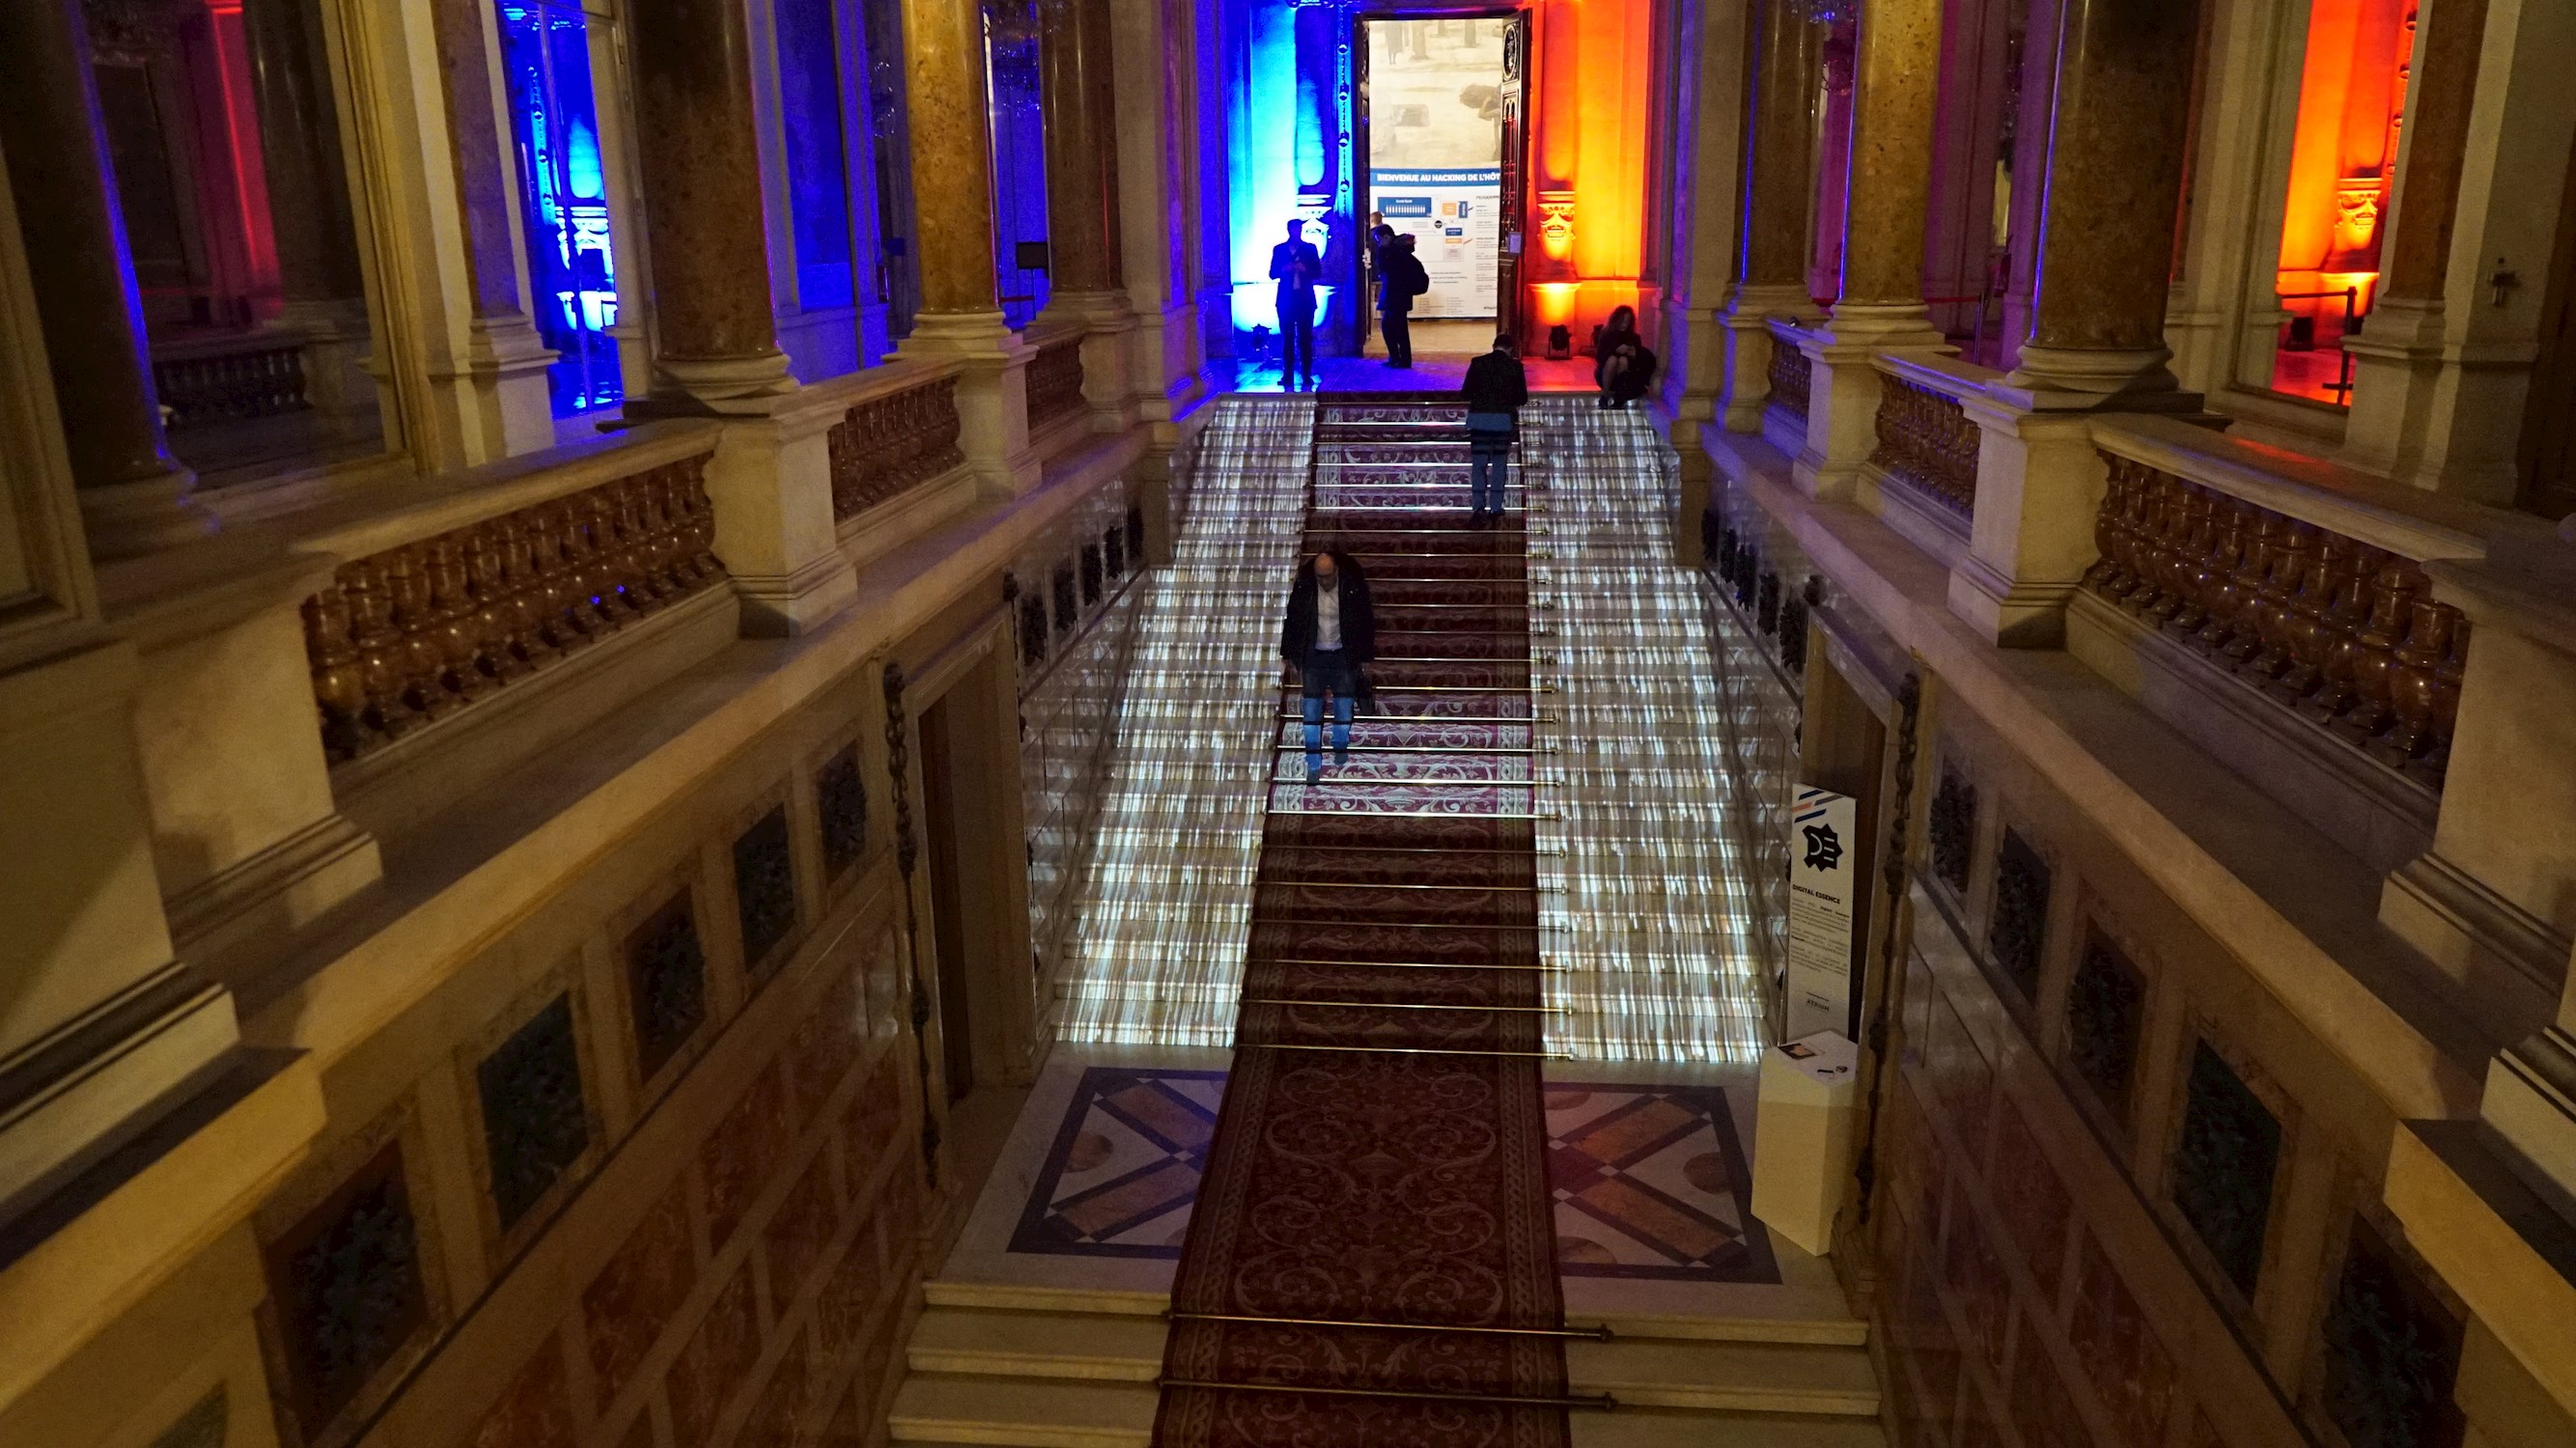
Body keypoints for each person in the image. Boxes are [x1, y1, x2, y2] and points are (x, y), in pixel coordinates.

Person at [1278, 546, 1377, 781]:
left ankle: (1340, 743)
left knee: (1343, 708)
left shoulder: (1352, 589)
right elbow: (1293, 620)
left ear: (1337, 571)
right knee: (1311, 713)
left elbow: (1366, 622)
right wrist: (1290, 654)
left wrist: (1365, 658)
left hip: (1343, 656)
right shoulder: (1305, 590)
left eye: (1327, 575)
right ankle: (1313, 761)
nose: (1324, 581)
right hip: (1314, 657)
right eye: (1319, 576)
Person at [1461, 333, 1527, 526]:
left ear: (1494, 346)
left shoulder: (1477, 363)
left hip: (1479, 420)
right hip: (1502, 422)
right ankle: (1496, 507)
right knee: (1499, 465)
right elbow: (1522, 398)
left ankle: (1477, 507)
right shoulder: (1515, 367)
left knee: (1479, 465)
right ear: (1510, 349)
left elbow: (1466, 392)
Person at [1269, 219, 1323, 390]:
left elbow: (1318, 272)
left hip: (1305, 300)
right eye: (1293, 229)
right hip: (1286, 300)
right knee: (1287, 338)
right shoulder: (1279, 249)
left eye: (1298, 229)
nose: (1296, 232)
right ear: (1288, 230)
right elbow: (1272, 273)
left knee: (1305, 339)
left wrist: (1305, 269)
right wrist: (1284, 269)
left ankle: (1307, 375)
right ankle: (1288, 374)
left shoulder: (1310, 249)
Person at [1379, 235, 1429, 369]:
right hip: (1401, 299)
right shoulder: (1411, 260)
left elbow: (1383, 267)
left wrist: (1383, 248)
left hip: (1394, 298)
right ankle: (1401, 358)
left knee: (1392, 328)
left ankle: (1399, 358)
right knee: (1398, 329)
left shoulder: (1397, 258)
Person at [1591, 305, 1641, 399]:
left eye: (1627, 321)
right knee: (1612, 360)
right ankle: (1605, 395)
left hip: (1624, 377)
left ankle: (1619, 395)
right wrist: (1615, 351)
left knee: (1623, 360)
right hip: (1605, 374)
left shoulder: (1634, 338)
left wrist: (1634, 355)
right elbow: (1600, 358)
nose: (1624, 324)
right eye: (1622, 321)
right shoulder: (1606, 335)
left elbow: (1639, 364)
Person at [1600, 336, 1659, 409]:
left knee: (1623, 362)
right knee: (1616, 361)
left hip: (1633, 382)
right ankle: (1607, 396)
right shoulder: (1614, 355)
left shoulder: (1644, 356)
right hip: (1617, 381)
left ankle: (1617, 397)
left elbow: (1645, 373)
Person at [1362, 211, 1394, 343]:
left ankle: (1368, 331)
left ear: (1371, 219)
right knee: (1384, 302)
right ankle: (1386, 327)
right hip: (1385, 274)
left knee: (1369, 302)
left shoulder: (1369, 236)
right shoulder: (1390, 235)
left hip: (1372, 273)